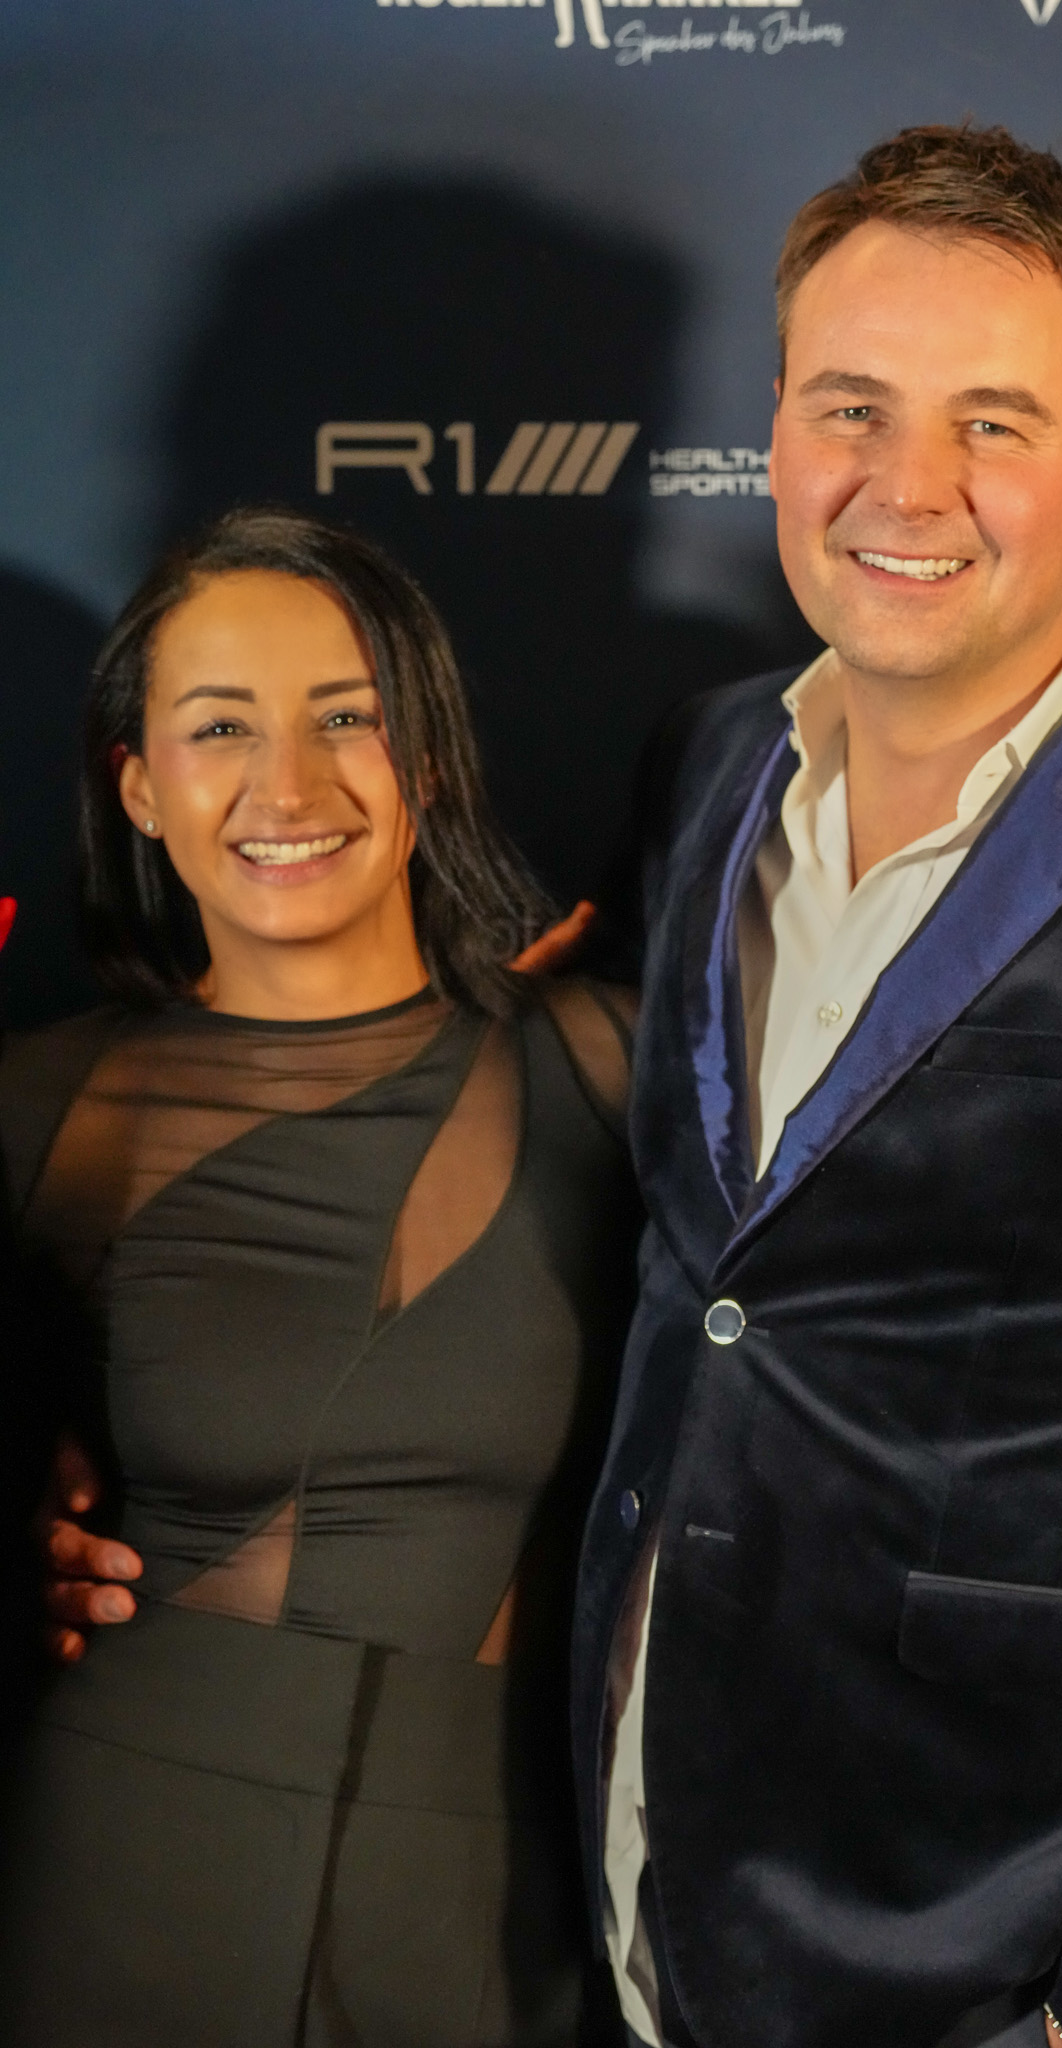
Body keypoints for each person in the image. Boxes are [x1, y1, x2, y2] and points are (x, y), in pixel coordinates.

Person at [566, 126, 1062, 2048]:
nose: (903, 485)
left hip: (993, 1965)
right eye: (850, 406)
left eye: (989, 424)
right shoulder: (697, 773)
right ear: (775, 427)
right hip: (628, 1922)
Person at [1, 506, 639, 2047]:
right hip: (124, 1877)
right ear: (138, 785)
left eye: (347, 718)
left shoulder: (622, 1072)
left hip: (500, 1915)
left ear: (428, 759)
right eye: (220, 727)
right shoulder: (40, 1110)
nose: (286, 787)